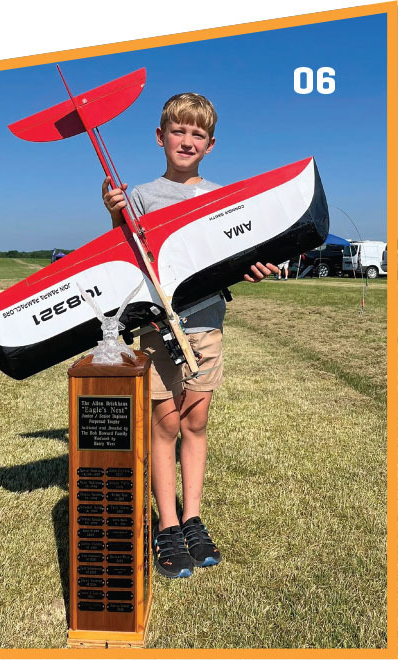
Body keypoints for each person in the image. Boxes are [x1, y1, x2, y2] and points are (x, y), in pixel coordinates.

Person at [102, 92, 278, 578]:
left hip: (207, 324)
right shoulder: (139, 195)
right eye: (178, 131)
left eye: (197, 134)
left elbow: (237, 256)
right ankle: (168, 523)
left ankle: (194, 518)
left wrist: (254, 268)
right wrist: (115, 212)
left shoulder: (222, 197)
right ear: (160, 137)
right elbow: (126, 252)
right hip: (159, 329)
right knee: (165, 424)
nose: (187, 140)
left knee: (195, 421)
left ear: (211, 144)